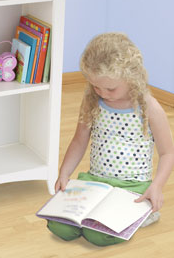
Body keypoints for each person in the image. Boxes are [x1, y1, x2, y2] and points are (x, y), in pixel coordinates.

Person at [47, 33, 174, 246]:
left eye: (110, 88)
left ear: (131, 77)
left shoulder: (149, 107)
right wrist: (64, 172)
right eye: (96, 86)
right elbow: (79, 141)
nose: (103, 93)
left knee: (98, 235)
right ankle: (130, 215)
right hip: (96, 181)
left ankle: (144, 214)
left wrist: (157, 186)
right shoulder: (92, 102)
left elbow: (168, 153)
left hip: (132, 186)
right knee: (59, 225)